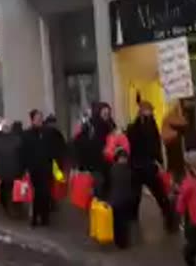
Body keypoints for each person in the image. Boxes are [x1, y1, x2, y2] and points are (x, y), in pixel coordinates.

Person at [127, 101, 175, 231]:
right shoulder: (135, 127)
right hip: (138, 166)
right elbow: (133, 144)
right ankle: (133, 218)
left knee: (158, 192)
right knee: (136, 195)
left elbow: (155, 145)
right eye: (148, 110)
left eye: (150, 111)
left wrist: (159, 162)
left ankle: (169, 216)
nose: (150, 113)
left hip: (147, 165)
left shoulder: (150, 125)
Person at [73, 102, 116, 199]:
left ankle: (104, 210)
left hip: (109, 163)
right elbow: (78, 142)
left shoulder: (111, 125)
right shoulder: (90, 125)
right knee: (99, 188)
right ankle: (98, 208)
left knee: (108, 188)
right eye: (104, 113)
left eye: (108, 114)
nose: (106, 116)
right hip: (94, 164)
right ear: (98, 112)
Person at [22, 110, 55, 227]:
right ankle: (35, 217)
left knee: (46, 193)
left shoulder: (48, 132)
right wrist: (25, 168)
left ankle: (45, 218)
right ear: (32, 120)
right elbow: (23, 152)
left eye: (41, 117)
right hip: (34, 168)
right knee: (37, 194)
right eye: (37, 118)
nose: (40, 120)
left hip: (46, 167)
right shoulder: (26, 134)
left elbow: (53, 149)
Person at [0, 120, 23, 216]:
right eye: (5, 127)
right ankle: (10, 208)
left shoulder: (15, 140)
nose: (6, 129)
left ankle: (12, 208)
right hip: (7, 171)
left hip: (10, 171)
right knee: (8, 190)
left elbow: (21, 155)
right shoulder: (14, 140)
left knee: (11, 190)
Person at [108, 147, 133, 249]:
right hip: (125, 200)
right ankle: (124, 242)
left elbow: (108, 185)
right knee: (124, 222)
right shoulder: (129, 170)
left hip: (115, 200)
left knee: (117, 221)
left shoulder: (112, 169)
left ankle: (118, 240)